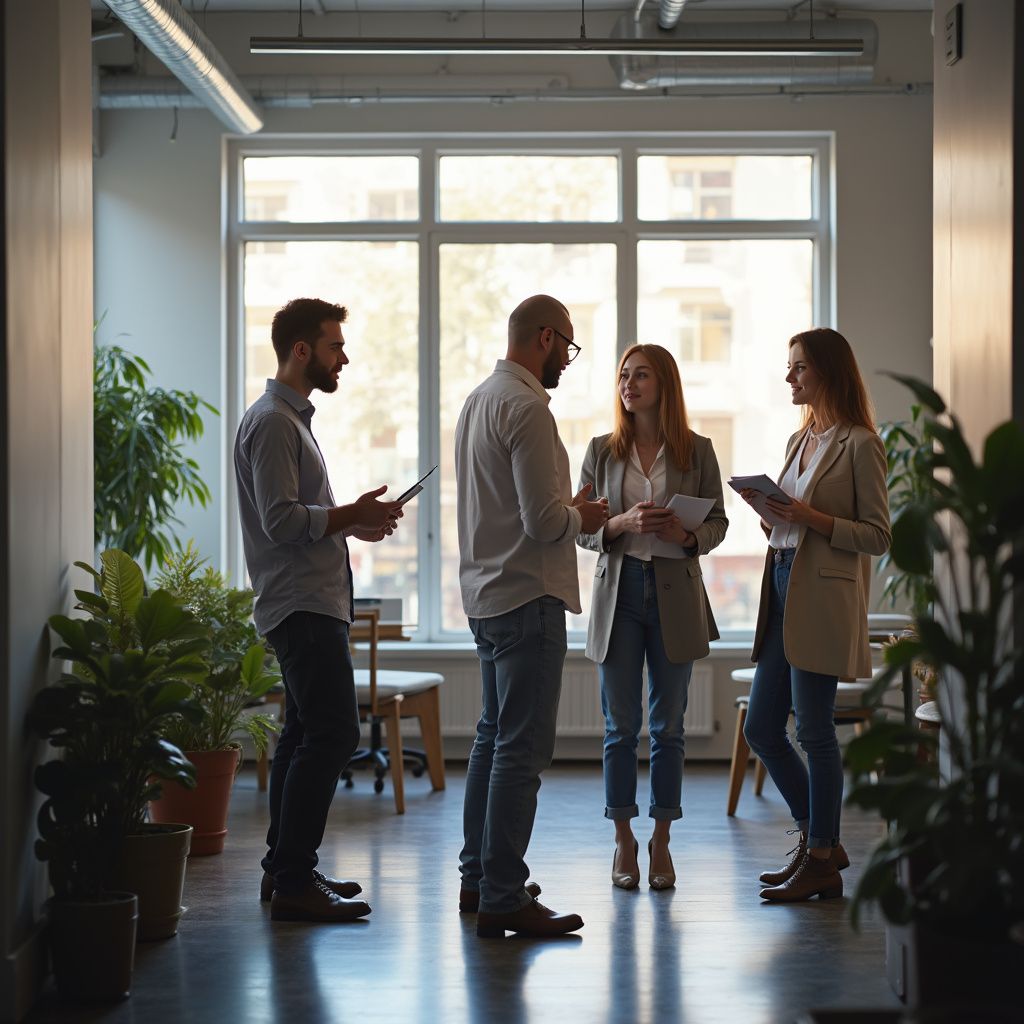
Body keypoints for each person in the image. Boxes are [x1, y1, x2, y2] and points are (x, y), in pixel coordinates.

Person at [234, 297, 405, 923]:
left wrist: (353, 526)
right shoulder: (276, 423)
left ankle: (285, 871)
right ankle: (294, 879)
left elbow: (297, 518)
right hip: (301, 604)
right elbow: (280, 521)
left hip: (310, 600)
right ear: (301, 350)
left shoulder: (290, 421)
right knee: (335, 732)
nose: (344, 357)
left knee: (304, 734)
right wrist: (349, 515)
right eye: (335, 346)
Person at [455, 294, 609, 938]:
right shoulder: (528, 408)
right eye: (567, 347)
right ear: (545, 337)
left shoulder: (479, 401)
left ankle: (480, 878)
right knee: (520, 752)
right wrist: (587, 516)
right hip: (528, 599)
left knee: (492, 742)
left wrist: (562, 508)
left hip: (486, 595)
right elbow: (545, 523)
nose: (568, 362)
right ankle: (504, 895)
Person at [740, 327, 890, 902]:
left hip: (822, 596)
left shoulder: (859, 444)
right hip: (781, 583)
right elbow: (792, 521)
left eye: (799, 367)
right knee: (760, 727)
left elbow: (876, 536)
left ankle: (822, 854)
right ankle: (819, 843)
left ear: (827, 371)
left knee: (813, 730)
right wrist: (773, 516)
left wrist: (808, 517)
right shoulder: (797, 440)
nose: (789, 377)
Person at [577, 344, 728, 891]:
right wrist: (620, 522)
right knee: (620, 728)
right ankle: (623, 838)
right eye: (623, 375)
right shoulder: (600, 450)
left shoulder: (698, 450)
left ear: (664, 383)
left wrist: (685, 535)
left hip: (675, 595)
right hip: (618, 595)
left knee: (668, 728)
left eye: (640, 375)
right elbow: (580, 525)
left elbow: (718, 523)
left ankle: (662, 837)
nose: (628, 384)